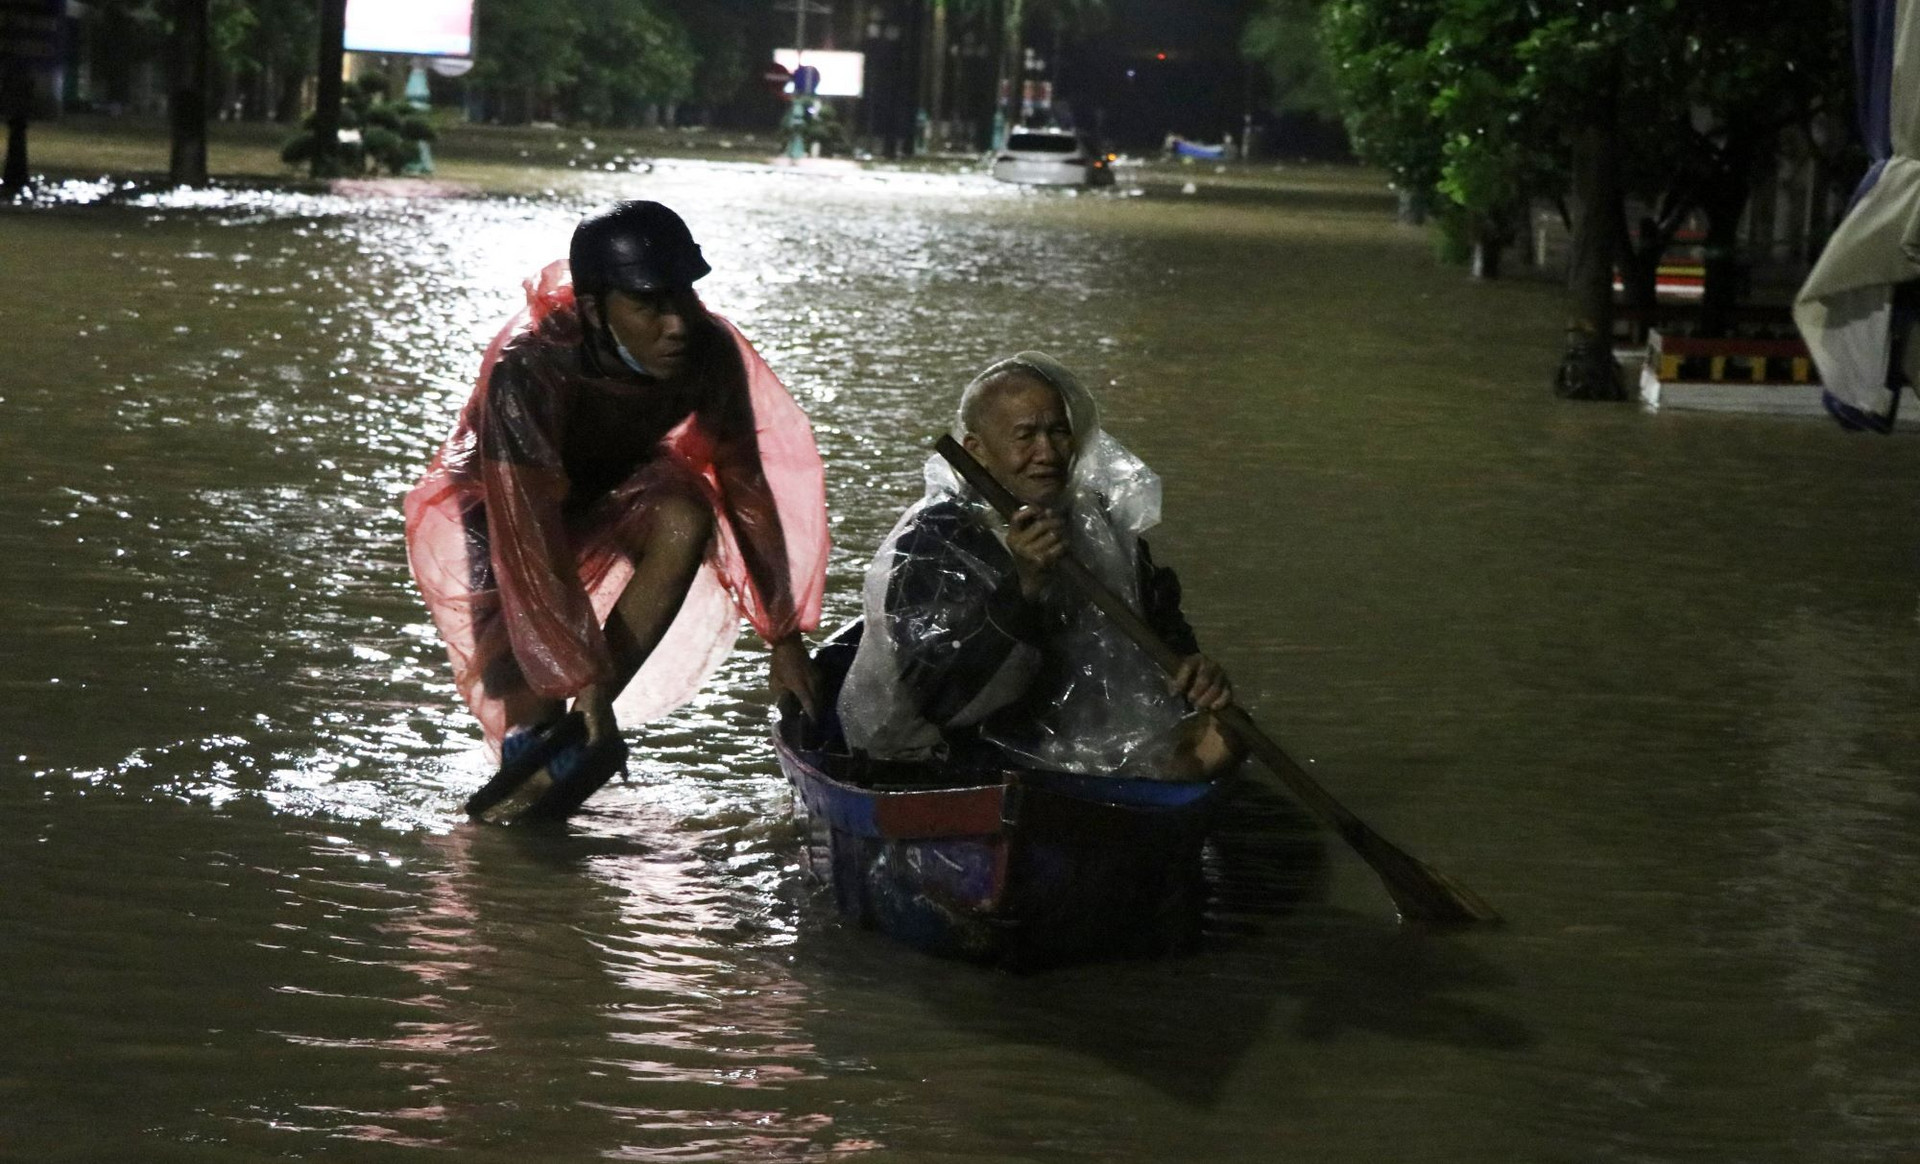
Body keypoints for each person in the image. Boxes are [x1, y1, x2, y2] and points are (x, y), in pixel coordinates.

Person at [405, 201, 828, 799]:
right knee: (527, 699)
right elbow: (531, 540)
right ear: (594, 310)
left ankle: (588, 717)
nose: (677, 324)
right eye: (649, 305)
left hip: (619, 489)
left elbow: (747, 489)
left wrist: (783, 639)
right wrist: (566, 675)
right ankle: (538, 756)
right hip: (502, 513)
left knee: (687, 515)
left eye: (683, 297)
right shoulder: (528, 368)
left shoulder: (710, 352)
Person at [836, 351, 1241, 781]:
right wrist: (1025, 586)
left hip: (1072, 741)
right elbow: (946, 701)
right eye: (1025, 436)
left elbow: (1164, 633)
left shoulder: (1096, 525)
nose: (1046, 452)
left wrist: (1196, 671)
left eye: (1058, 432)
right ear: (977, 451)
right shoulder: (935, 540)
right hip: (950, 756)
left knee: (1229, 732)